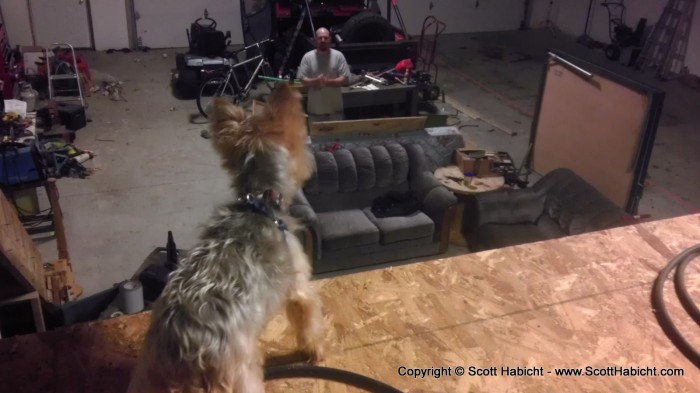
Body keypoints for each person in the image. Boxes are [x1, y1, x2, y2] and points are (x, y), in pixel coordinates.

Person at [297, 27, 350, 119]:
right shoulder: (307, 57)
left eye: (325, 38)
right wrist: (316, 81)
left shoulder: (338, 56)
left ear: (330, 39)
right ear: (315, 40)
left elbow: (344, 79)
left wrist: (327, 82)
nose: (323, 40)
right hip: (315, 112)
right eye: (320, 38)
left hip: (335, 112)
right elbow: (302, 79)